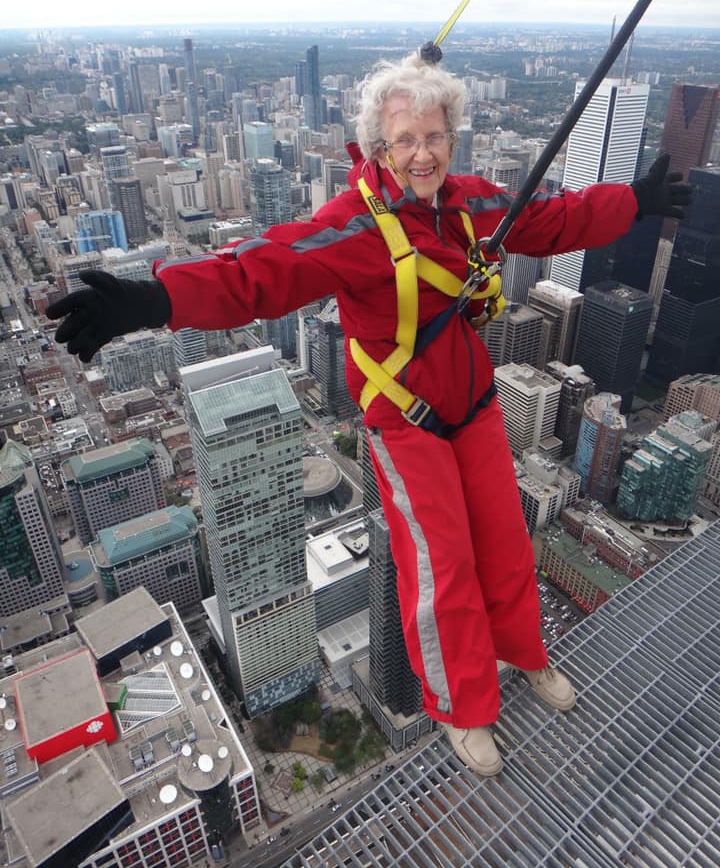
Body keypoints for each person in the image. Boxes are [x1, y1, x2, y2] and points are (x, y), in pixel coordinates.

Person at [47, 53, 690, 777]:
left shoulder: (472, 202)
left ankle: (528, 658)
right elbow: (261, 271)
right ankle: (464, 707)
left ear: (453, 137)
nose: (422, 153)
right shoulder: (354, 225)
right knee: (440, 564)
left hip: (473, 403)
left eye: (434, 136)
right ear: (380, 147)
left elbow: (548, 219)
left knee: (506, 542)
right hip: (404, 418)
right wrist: (152, 299)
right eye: (404, 140)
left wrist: (632, 201)